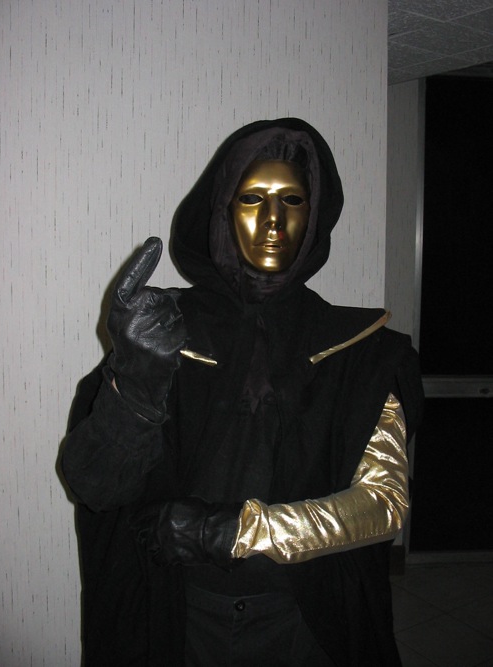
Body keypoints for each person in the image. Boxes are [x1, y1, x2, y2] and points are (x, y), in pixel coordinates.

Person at [62, 118, 423, 666]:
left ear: (314, 217)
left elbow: (384, 503)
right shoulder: (161, 332)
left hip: (307, 618)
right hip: (178, 618)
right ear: (223, 212)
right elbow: (95, 486)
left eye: (292, 200)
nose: (273, 220)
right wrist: (135, 382)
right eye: (252, 198)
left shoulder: (360, 350)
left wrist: (236, 531)